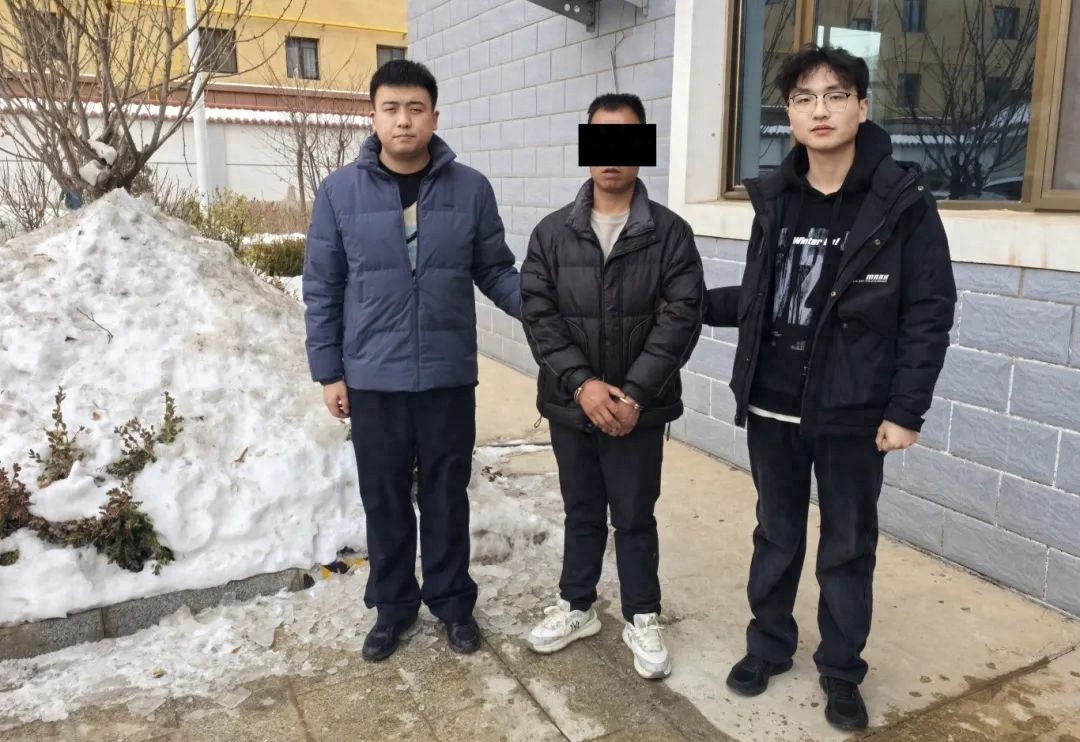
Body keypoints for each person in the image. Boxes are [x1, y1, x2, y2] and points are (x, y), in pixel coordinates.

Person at [704, 45, 956, 730]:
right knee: (775, 534)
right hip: (772, 404)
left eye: (836, 95)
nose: (820, 110)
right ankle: (769, 646)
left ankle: (842, 671)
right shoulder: (774, 199)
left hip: (853, 411)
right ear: (789, 114)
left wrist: (906, 410)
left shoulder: (900, 201)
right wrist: (689, 302)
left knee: (847, 545)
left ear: (862, 107)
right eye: (804, 98)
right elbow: (762, 296)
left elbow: (929, 311)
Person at [302, 59, 521, 663]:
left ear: (434, 117)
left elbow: (495, 269)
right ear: (373, 117)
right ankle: (393, 607)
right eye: (392, 108)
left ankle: (452, 604)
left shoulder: (471, 189)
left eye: (415, 108)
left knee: (448, 496)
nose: (404, 120)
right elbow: (322, 287)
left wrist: (546, 306)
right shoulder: (338, 193)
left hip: (447, 375)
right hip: (373, 378)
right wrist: (329, 371)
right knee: (386, 499)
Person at [520, 93, 704, 680]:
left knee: (634, 515)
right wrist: (583, 385)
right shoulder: (551, 234)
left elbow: (680, 318)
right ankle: (577, 606)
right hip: (572, 404)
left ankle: (642, 614)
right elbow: (539, 316)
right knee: (581, 509)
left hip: (637, 411)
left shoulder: (670, 234)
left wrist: (633, 396)